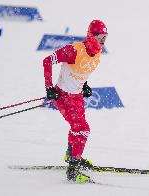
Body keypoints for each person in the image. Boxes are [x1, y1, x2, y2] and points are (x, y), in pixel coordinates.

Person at [42, 20, 108, 183]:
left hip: (76, 96)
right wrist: (49, 87)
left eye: (105, 36)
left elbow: (82, 70)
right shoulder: (73, 50)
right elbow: (47, 61)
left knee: (77, 128)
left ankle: (71, 155)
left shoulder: (98, 52)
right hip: (63, 96)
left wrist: (85, 85)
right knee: (83, 130)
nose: (103, 40)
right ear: (91, 36)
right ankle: (73, 169)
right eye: (100, 36)